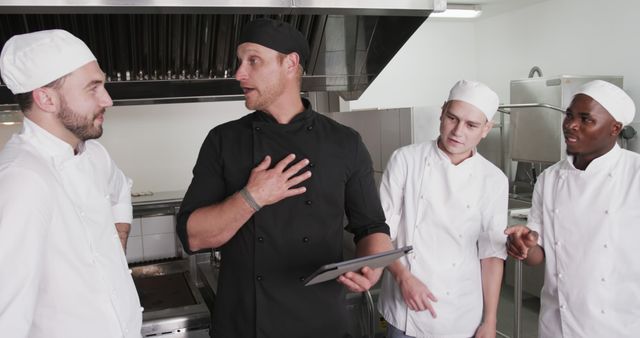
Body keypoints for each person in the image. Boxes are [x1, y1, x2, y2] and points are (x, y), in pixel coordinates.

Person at [176, 18, 393, 338]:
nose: (239, 73)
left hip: (321, 325)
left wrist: (373, 266)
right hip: (246, 325)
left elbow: (372, 229)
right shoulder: (223, 141)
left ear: (290, 64)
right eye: (240, 62)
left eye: (253, 60)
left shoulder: (345, 143)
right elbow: (193, 236)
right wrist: (252, 197)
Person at [0, 30, 141, 337]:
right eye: (93, 88)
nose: (108, 100)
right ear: (45, 98)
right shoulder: (21, 182)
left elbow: (120, 191)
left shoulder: (94, 155)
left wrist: (118, 237)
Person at [505, 80, 640, 337]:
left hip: (620, 325)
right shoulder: (551, 178)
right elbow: (537, 255)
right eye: (569, 115)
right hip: (557, 323)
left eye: (586, 119)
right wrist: (523, 245)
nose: (570, 124)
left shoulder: (635, 174)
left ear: (615, 128)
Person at [378, 80, 508, 338]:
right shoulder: (406, 159)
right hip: (405, 309)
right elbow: (382, 233)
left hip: (462, 311)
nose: (458, 131)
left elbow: (491, 254)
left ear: (486, 129)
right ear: (442, 112)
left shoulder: (494, 179)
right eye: (452, 118)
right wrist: (403, 277)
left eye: (471, 125)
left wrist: (490, 320)